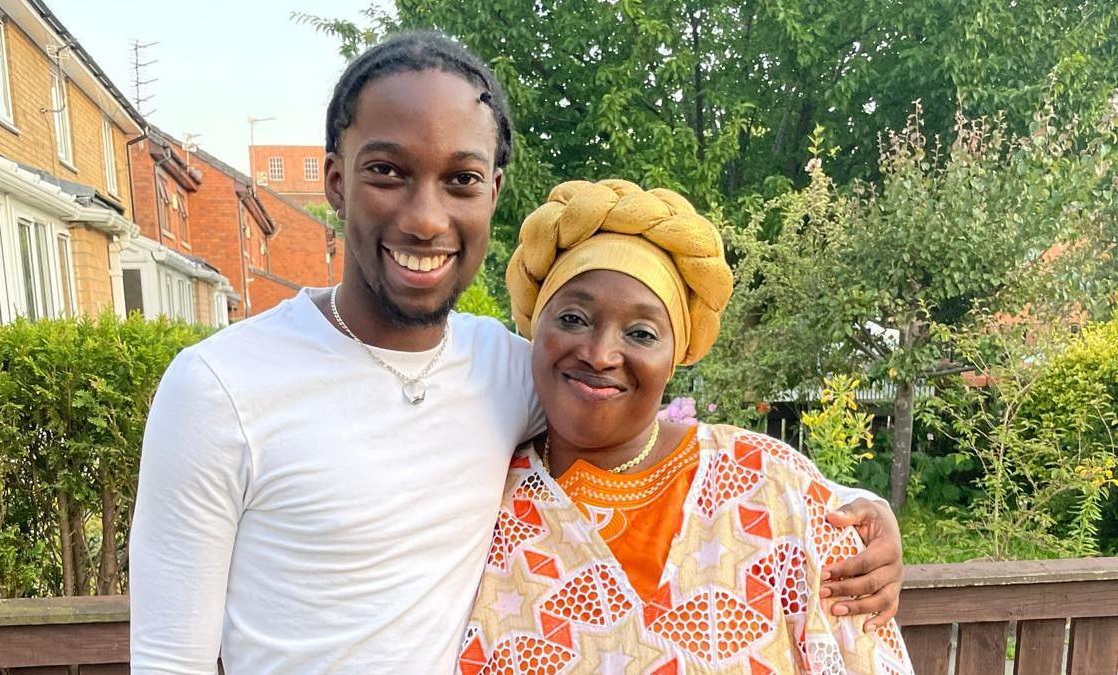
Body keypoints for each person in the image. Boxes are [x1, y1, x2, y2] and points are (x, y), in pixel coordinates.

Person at [129, 33, 903, 674]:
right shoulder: (219, 387)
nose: (426, 217)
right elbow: (170, 660)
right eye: (388, 172)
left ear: (493, 192)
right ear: (335, 180)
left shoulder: (507, 366)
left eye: (459, 179)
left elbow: (643, 423)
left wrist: (855, 511)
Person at [458, 179, 913, 673]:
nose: (600, 353)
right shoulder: (478, 505)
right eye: (572, 318)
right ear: (533, 329)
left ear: (675, 356)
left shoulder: (770, 489)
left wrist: (869, 512)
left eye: (641, 333)